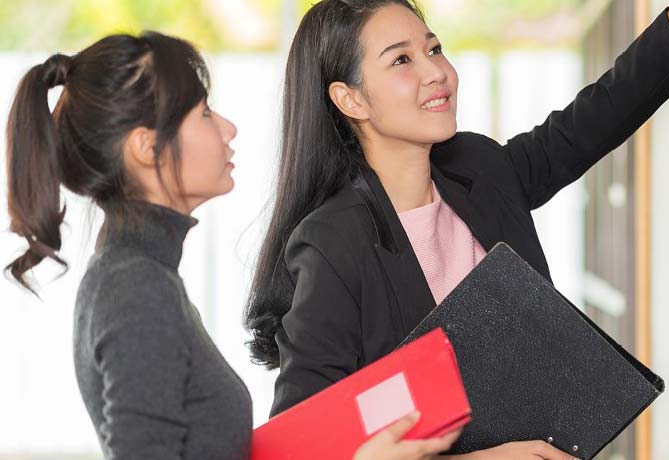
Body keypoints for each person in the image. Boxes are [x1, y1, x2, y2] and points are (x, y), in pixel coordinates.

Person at [246, 0, 669, 458]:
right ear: (350, 99)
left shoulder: (480, 168)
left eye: (434, 48)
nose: (437, 72)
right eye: (402, 59)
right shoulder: (332, 243)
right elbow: (300, 448)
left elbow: (603, 111)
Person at [5, 31, 458, 460]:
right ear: (147, 149)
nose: (228, 128)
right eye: (203, 113)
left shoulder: (139, 274)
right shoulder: (135, 288)